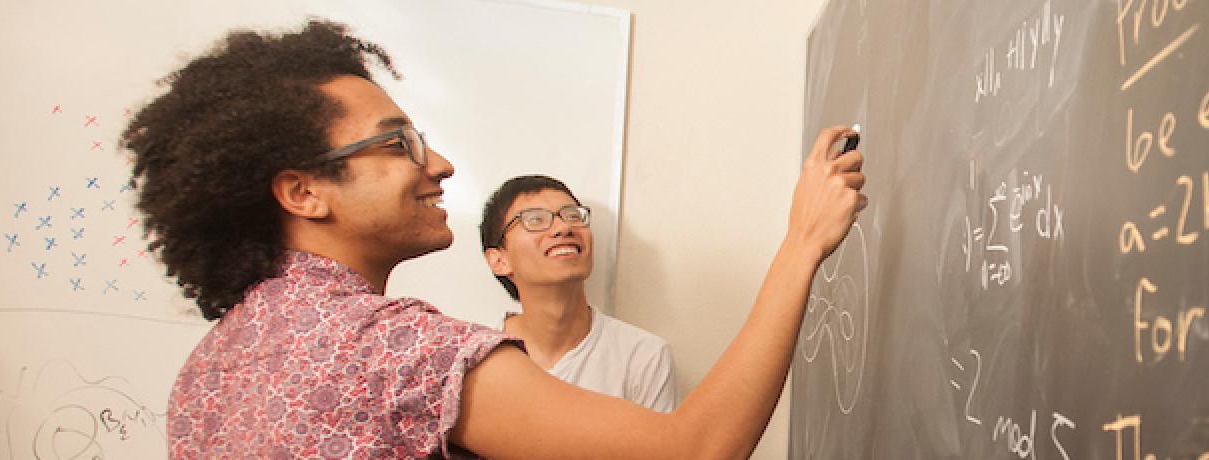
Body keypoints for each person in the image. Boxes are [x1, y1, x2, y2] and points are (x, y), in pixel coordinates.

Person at [127, 20, 866, 457]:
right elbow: (695, 449)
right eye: (399, 144)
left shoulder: (208, 368)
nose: (439, 165)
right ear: (303, 191)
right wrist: (801, 242)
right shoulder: (393, 351)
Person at [479, 175, 677, 411]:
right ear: (499, 260)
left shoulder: (644, 356)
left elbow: (660, 447)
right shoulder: (476, 358)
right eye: (535, 220)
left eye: (573, 216)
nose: (563, 228)